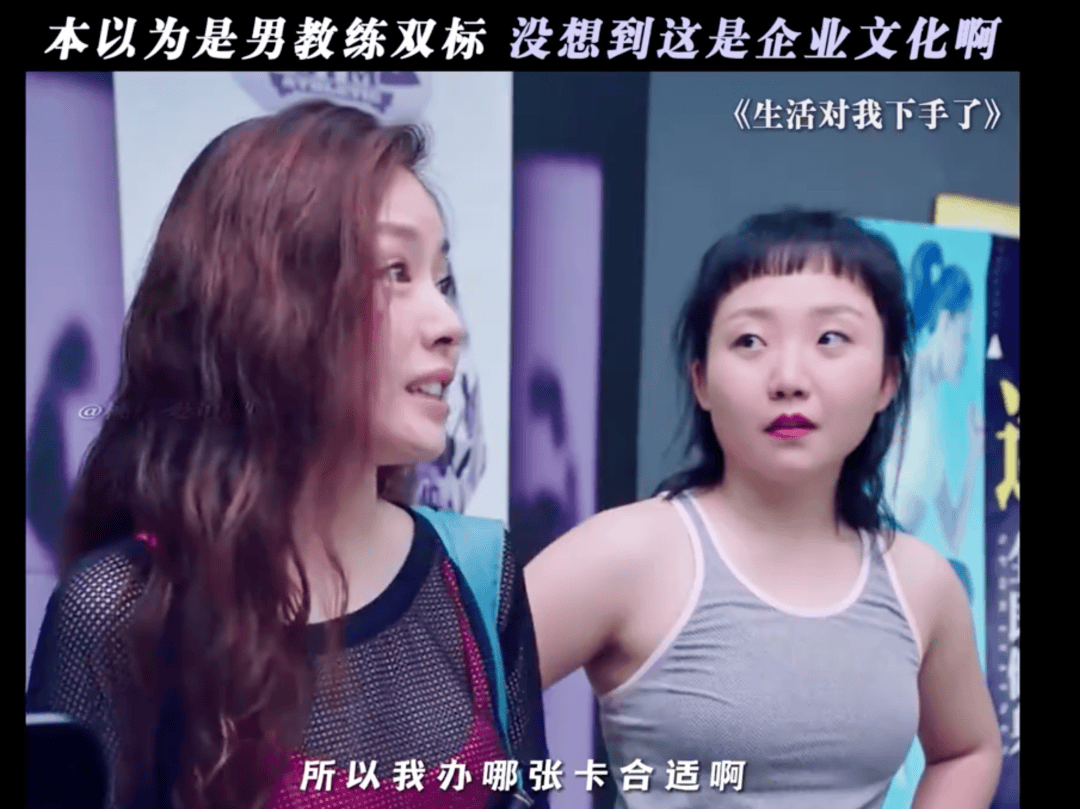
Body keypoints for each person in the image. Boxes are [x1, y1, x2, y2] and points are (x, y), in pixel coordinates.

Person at [26, 100, 548, 809]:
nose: (449, 324)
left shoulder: (478, 575)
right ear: (261, 302)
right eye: (395, 272)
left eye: (442, 280)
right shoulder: (121, 612)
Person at [525, 211, 1002, 808]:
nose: (788, 378)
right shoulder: (626, 554)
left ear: (888, 379)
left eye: (831, 339)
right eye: (749, 341)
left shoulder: (920, 582)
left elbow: (967, 750)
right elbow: (437, 709)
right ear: (701, 380)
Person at [884, 241, 982, 602]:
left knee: (962, 582)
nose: (966, 354)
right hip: (877, 548)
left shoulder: (935, 429)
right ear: (944, 322)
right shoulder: (906, 375)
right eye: (964, 337)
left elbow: (954, 535)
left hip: (901, 560)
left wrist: (974, 454)